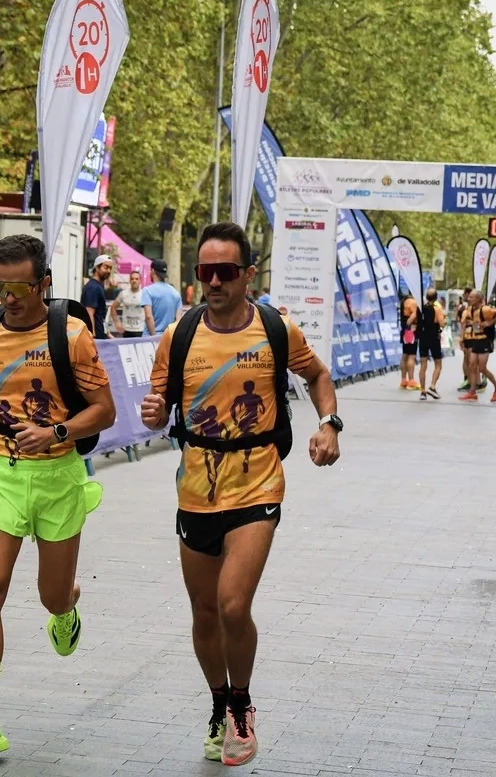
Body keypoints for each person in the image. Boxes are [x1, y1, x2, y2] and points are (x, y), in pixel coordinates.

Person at [140, 222, 342, 767]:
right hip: (196, 486)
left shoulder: (276, 330)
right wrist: (154, 412)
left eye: (224, 272)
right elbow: (157, 404)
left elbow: (319, 377)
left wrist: (330, 424)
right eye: (204, 272)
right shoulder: (178, 336)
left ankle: (242, 705)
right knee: (204, 611)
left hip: (258, 480)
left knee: (232, 603)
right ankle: (218, 703)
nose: (212, 282)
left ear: (248, 275)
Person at [0, 234, 116, 763]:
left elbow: (104, 411)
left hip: (58, 476)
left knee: (51, 597)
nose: (9, 296)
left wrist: (58, 434)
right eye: (0, 285)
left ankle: (67, 607)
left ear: (43, 283)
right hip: (0, 473)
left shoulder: (73, 336)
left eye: (20, 286)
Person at [459, 290, 496, 402]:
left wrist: (490, 323)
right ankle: (472, 392)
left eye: (472, 297)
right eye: (469, 297)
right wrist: (464, 337)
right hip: (475, 339)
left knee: (482, 368)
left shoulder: (485, 309)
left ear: (479, 299)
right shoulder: (470, 309)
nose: (469, 299)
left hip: (484, 340)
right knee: (472, 365)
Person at [416, 287, 446, 400]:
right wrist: (444, 321)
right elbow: (442, 324)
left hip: (423, 338)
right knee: (438, 364)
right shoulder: (437, 309)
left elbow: (410, 321)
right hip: (434, 338)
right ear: (436, 297)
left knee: (423, 366)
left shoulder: (420, 308)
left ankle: (422, 392)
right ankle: (432, 387)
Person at [142, 258, 182, 334]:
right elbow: (178, 320)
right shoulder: (176, 293)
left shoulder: (147, 291)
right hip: (168, 337)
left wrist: (154, 337)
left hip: (150, 338)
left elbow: (148, 316)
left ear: (153, 271)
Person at [111, 270, 154, 337]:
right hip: (126, 330)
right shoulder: (123, 293)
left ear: (140, 280)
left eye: (136, 279)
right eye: (132, 279)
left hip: (140, 330)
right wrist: (117, 323)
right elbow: (113, 307)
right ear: (129, 280)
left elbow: (151, 312)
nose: (134, 281)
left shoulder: (144, 294)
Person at [80, 254, 113, 339]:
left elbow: (100, 316)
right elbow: (89, 313)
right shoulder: (93, 288)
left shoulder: (98, 286)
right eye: (106, 267)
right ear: (97, 268)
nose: (108, 271)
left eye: (110, 268)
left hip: (101, 335)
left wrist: (108, 334)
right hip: (95, 338)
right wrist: (92, 336)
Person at [399, 292, 419, 390]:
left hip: (404, 331)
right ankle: (411, 380)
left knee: (405, 355)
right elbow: (415, 314)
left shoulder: (404, 302)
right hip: (411, 331)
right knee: (412, 356)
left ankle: (403, 380)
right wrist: (410, 323)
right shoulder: (413, 302)